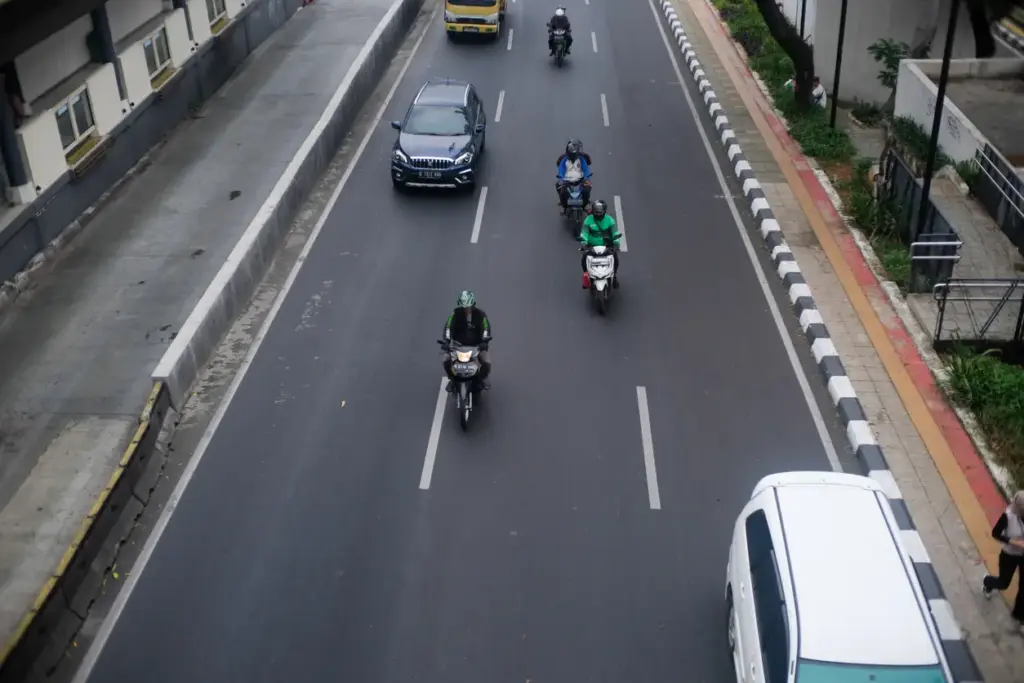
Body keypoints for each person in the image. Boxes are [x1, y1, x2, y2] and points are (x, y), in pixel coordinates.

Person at [982, 490, 1024, 627]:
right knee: (1003, 583)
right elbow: (996, 533)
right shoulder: (1008, 516)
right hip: (1009, 554)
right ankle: (988, 582)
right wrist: (1014, 542)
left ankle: (1018, 615)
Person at [441, 290, 492, 391]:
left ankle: (481, 379)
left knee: (486, 362)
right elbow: (448, 328)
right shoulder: (454, 315)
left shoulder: (481, 315)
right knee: (446, 360)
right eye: (464, 308)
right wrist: (446, 341)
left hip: (476, 346)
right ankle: (452, 379)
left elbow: (486, 328)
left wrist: (485, 341)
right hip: (457, 346)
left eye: (469, 307)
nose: (466, 310)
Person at [578, 199, 620, 288]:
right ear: (593, 211)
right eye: (596, 212)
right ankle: (586, 276)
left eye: (600, 212)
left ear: (604, 211)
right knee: (584, 258)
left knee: (615, 258)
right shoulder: (588, 220)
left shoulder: (610, 221)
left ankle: (615, 275)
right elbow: (584, 233)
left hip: (607, 245)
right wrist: (584, 242)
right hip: (591, 246)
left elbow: (615, 233)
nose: (598, 214)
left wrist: (616, 243)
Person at [555, 139, 592, 211]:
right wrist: (561, 179)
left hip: (580, 180)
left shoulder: (581, 159)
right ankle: (563, 204)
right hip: (567, 181)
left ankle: (585, 204)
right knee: (561, 190)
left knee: (587, 190)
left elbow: (585, 169)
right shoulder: (564, 159)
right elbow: (561, 169)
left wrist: (587, 178)